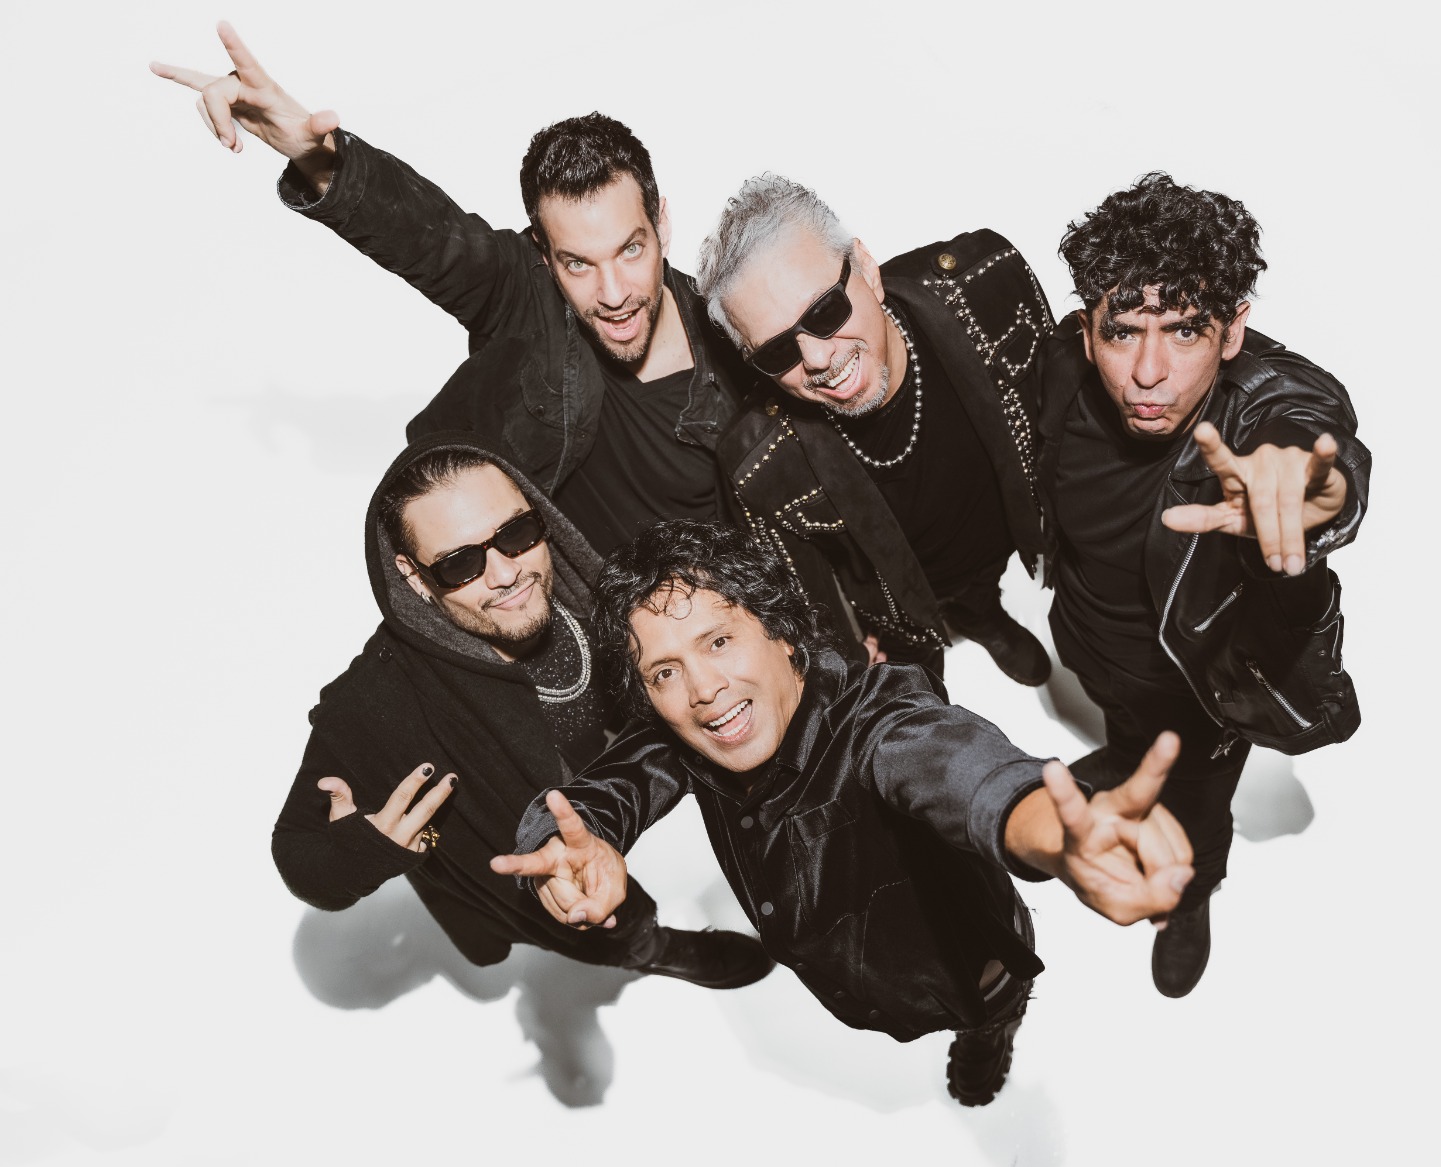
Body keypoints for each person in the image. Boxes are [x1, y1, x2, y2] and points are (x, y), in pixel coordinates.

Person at [490, 521, 1194, 1106]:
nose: (702, 689)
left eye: (718, 641)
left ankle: (989, 1040)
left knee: (989, 1013)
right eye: (664, 672)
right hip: (854, 982)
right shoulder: (690, 735)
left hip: (968, 971)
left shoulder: (875, 723)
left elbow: (953, 764)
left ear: (781, 632)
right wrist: (563, 837)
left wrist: (1050, 829)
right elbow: (605, 792)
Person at [151, 22, 750, 558]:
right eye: (578, 264)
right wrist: (321, 159)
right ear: (544, 256)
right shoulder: (526, 298)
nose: (614, 293)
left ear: (661, 223)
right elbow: (430, 237)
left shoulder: (741, 344)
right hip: (549, 613)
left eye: (631, 249)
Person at [273, 432, 772, 990]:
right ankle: (655, 950)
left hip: (643, 781)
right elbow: (298, 853)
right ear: (414, 576)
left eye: (515, 534)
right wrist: (368, 850)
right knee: (598, 914)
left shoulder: (600, 582)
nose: (506, 573)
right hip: (551, 864)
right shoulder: (376, 701)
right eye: (460, 563)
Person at [1038, 172, 1370, 998]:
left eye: (1184, 330)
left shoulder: (1258, 413)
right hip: (1091, 646)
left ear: (1232, 332)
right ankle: (1124, 755)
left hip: (1199, 690)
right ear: (1088, 333)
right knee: (1127, 734)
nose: (1148, 371)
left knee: (1197, 802)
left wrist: (1308, 487)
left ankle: (1191, 894)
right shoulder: (1058, 376)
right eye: (1123, 332)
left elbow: (1306, 426)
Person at [701, 175, 1055, 685]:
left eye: (824, 311)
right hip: (896, 610)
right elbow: (803, 596)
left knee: (980, 591)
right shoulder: (759, 466)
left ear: (867, 268)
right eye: (777, 351)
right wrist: (847, 657)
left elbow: (1066, 412)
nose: (816, 358)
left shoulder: (986, 283)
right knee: (914, 680)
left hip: (1001, 539)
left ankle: (983, 617)